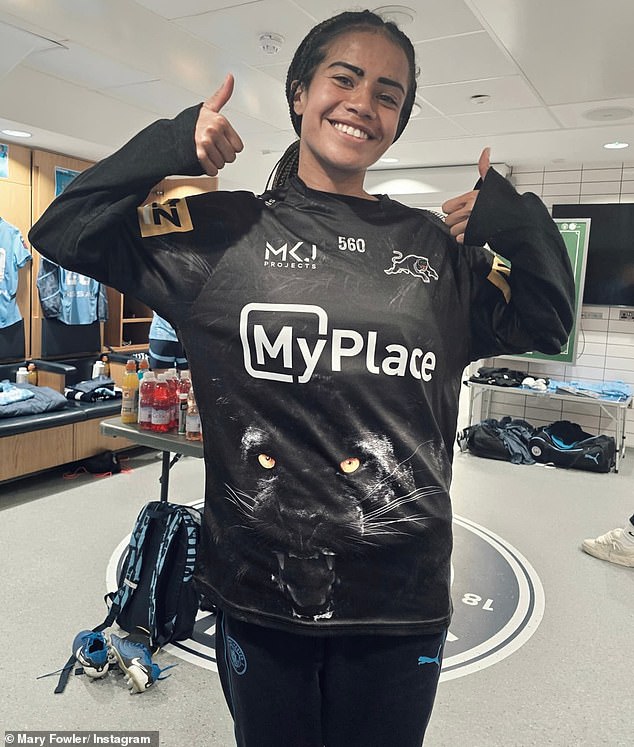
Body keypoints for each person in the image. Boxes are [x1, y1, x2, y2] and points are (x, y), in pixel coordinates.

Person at [29, 10, 574, 745]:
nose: (362, 102)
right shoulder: (222, 233)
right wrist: (169, 144)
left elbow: (547, 320)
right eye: (343, 78)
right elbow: (62, 228)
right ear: (299, 92)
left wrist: (512, 222)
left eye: (388, 93)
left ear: (399, 121)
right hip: (259, 591)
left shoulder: (432, 252)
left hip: (400, 594)